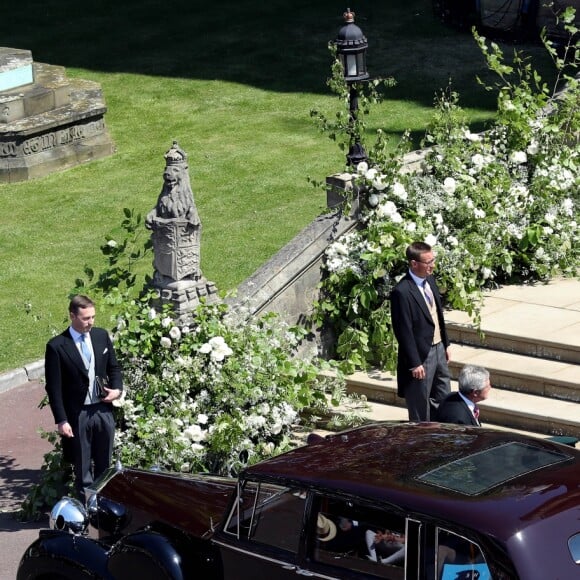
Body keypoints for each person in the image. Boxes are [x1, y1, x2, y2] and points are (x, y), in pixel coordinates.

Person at [45, 295, 123, 498]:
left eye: (93, 317)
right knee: (83, 466)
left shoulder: (100, 336)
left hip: (103, 409)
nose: (91, 322)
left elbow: (114, 367)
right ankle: (86, 510)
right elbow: (54, 388)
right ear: (72, 316)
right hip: (78, 414)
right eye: (86, 318)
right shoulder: (57, 346)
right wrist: (62, 420)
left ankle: (104, 506)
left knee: (105, 464)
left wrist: (117, 390)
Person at [390, 241, 451, 421]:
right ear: (414, 264)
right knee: (420, 405)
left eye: (433, 260)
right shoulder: (402, 292)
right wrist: (415, 363)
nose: (432, 265)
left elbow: (438, 316)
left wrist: (446, 343)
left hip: (439, 349)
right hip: (420, 357)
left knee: (443, 396)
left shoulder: (430, 280)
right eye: (428, 262)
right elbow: (403, 330)